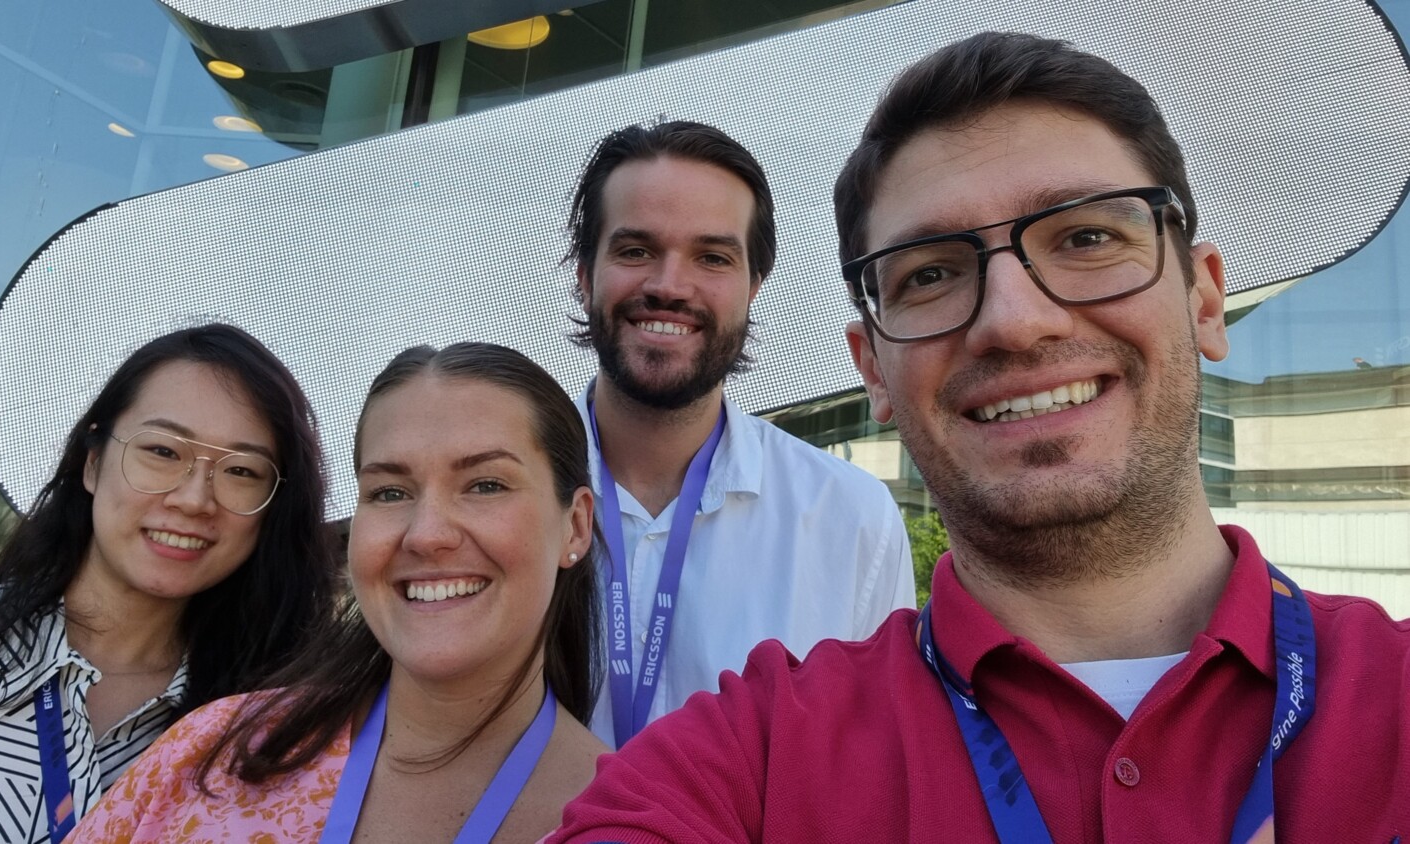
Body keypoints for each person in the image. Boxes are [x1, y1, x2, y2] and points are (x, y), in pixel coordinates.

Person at [550, 32, 1410, 842]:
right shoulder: (757, 753)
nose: (1015, 320)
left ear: (1207, 299)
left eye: (1085, 235)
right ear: (872, 370)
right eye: (931, 273)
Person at [70, 342, 609, 843]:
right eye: (389, 491)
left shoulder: (632, 818)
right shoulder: (211, 752)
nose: (426, 534)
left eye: (485, 485)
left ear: (575, 526)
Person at [0, 324, 338, 843]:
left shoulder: (279, 730)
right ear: (93, 464)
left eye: (241, 471)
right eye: (162, 451)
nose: (194, 499)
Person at [566, 120, 916, 748]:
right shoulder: (492, 500)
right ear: (586, 273)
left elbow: (872, 758)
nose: (669, 286)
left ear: (754, 288)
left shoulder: (850, 520)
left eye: (712, 257)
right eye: (636, 250)